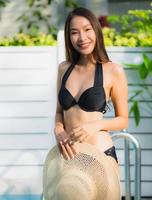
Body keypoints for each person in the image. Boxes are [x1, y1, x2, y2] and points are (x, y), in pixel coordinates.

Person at [48, 7, 128, 199]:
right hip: (69, 157)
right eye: (74, 33)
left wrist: (96, 124)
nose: (82, 37)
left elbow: (123, 119)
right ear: (69, 38)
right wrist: (59, 130)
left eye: (87, 29)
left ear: (96, 30)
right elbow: (59, 111)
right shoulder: (64, 69)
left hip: (99, 155)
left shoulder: (113, 71)